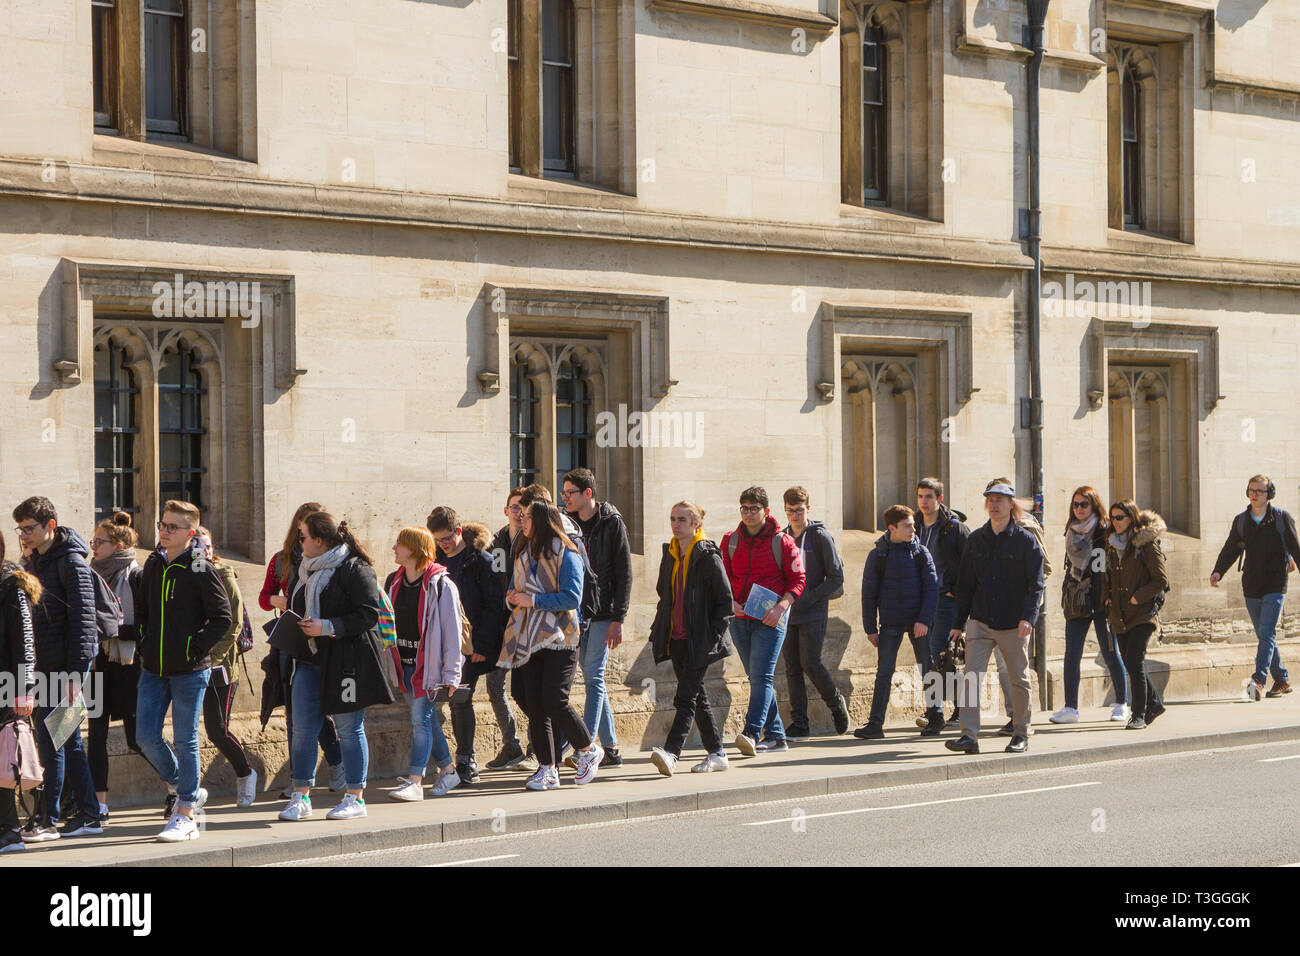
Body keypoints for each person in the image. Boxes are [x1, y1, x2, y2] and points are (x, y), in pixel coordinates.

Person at [278, 513, 393, 822]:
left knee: (348, 729)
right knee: (302, 730)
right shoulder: (302, 570)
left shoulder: (355, 569)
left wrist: (328, 625)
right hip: (307, 660)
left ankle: (355, 797)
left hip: (345, 662)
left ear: (320, 540)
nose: (298, 543)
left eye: (302, 537)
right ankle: (301, 795)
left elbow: (368, 615)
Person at [135, 500, 232, 842]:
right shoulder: (153, 563)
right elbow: (143, 611)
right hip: (154, 668)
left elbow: (223, 618)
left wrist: (194, 647)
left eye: (173, 527)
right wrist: (145, 643)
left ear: (190, 534)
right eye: (162, 524)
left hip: (190, 671)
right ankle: (181, 784)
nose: (164, 530)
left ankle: (186, 813)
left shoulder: (200, 567)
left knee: (186, 738)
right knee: (144, 736)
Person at [13, 497, 103, 842]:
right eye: (20, 528)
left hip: (67, 672)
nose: (24, 534)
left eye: (30, 528)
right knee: (67, 742)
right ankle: (90, 814)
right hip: (43, 668)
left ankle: (47, 819)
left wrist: (77, 675)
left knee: (53, 742)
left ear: (50, 525)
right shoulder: (35, 560)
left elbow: (84, 621)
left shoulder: (72, 563)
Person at [499, 501, 604, 791]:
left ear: (544, 520)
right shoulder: (523, 551)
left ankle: (587, 748)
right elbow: (517, 588)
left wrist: (533, 601)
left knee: (554, 699)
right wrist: (513, 597)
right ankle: (548, 768)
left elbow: (572, 597)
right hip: (529, 637)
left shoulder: (566, 552)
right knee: (535, 704)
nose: (522, 519)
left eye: (529, 515)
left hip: (560, 637)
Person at [945, 480, 1044, 755]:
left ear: (1011, 504)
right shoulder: (977, 539)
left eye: (1000, 499)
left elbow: (1035, 584)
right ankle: (969, 736)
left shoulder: (1025, 541)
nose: (994, 503)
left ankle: (1021, 733)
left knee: (1018, 678)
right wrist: (957, 624)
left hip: (1014, 622)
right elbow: (965, 585)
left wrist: (1029, 617)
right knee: (970, 677)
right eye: (990, 499)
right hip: (980, 620)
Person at [259, 502, 345, 796]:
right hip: (291, 640)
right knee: (295, 711)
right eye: (304, 529)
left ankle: (337, 763)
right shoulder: (282, 559)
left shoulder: (334, 561)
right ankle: (299, 777)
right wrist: (279, 602)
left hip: (324, 640)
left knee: (321, 709)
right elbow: (263, 597)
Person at [648, 502, 734, 775]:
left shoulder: (708, 556)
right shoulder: (670, 553)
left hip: (701, 641)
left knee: (684, 698)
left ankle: (672, 753)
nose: (676, 524)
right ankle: (717, 753)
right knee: (698, 698)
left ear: (696, 524)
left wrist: (712, 638)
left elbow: (725, 603)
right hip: (677, 638)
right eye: (673, 518)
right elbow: (665, 594)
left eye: (682, 519)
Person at [720, 486, 806, 756]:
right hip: (740, 617)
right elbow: (723, 580)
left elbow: (798, 581)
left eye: (754, 509)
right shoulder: (730, 541)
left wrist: (781, 608)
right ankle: (777, 735)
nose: (748, 513)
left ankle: (751, 732)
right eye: (744, 508)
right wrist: (730, 602)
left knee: (762, 676)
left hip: (771, 619)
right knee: (756, 677)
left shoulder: (782, 542)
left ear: (766, 511)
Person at [383, 526, 464, 801]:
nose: (394, 548)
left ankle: (415, 781)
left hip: (427, 668)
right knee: (426, 722)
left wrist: (452, 674)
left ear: (415, 549)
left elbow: (452, 632)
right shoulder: (394, 581)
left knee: (420, 721)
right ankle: (449, 770)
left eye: (399, 544)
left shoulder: (441, 585)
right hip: (403, 665)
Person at [427, 509, 507, 786]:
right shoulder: (434, 561)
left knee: (461, 700)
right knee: (440, 701)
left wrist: (482, 645)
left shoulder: (482, 561)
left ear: (459, 530)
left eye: (447, 538)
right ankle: (442, 761)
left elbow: (493, 605)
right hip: (440, 642)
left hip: (469, 643)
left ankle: (465, 759)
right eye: (438, 540)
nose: (443, 544)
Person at [561, 468, 630, 767]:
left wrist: (619, 618)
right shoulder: (568, 523)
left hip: (603, 613)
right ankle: (611, 747)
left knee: (593, 676)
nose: (565, 498)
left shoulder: (612, 523)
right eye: (563, 494)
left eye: (570, 493)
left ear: (587, 493)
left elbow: (624, 573)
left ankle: (584, 748)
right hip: (579, 612)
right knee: (593, 678)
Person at [1210, 474, 1300, 700]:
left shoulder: (1281, 517)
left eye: (1260, 491)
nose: (1254, 494)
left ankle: (1258, 681)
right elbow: (1231, 548)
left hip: (1276, 583)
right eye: (1251, 490)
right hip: (1251, 583)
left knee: (1267, 632)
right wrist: (1218, 570)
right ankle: (1281, 678)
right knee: (1263, 634)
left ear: (1269, 494)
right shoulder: (1241, 520)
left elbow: (1295, 548)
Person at [856, 505, 938, 739]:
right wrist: (870, 628)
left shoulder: (921, 553)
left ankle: (936, 717)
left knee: (928, 669)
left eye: (913, 524)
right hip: (890, 623)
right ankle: (875, 724)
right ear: (892, 528)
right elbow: (868, 593)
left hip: (918, 623)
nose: (913, 528)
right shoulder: (878, 554)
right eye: (907, 525)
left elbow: (932, 589)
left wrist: (924, 619)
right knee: (884, 672)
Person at [84, 512, 146, 820]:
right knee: (95, 737)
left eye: (100, 541)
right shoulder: (88, 574)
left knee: (138, 738)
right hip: (97, 665)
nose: (94, 546)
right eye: (93, 541)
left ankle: (177, 788)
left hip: (128, 665)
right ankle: (100, 804)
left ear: (119, 544)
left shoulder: (136, 576)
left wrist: (111, 629)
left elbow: (147, 627)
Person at [1052, 486, 1129, 724]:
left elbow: (1102, 569)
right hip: (1077, 599)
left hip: (1101, 601)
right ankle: (1070, 708)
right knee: (1071, 654)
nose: (1079, 509)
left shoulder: (1102, 531)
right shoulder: (1071, 530)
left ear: (1094, 505)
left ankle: (1122, 703)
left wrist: (1103, 600)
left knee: (1109, 652)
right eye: (1075, 505)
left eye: (1084, 504)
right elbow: (1069, 566)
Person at [194, 528, 257, 808]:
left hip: (220, 667)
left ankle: (245, 773)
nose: (203, 551)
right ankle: (187, 792)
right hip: (191, 666)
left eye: (207, 546)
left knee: (217, 730)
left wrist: (213, 656)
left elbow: (233, 624)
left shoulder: (224, 575)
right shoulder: (187, 574)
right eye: (198, 546)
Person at [779, 487, 849, 737]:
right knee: (791, 667)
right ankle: (800, 723)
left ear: (808, 509)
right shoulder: (782, 537)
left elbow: (836, 577)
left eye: (799, 510)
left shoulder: (819, 536)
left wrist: (809, 597)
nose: (795, 515)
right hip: (787, 612)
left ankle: (835, 704)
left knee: (811, 663)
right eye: (790, 511)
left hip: (813, 611)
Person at [1105, 501, 1170, 729]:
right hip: (1120, 615)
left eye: (1120, 517)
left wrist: (1137, 597)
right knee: (1132, 664)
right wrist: (1107, 598)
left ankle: (1139, 714)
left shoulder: (1146, 544)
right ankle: (1155, 703)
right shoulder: (1112, 545)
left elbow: (1161, 580)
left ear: (1131, 518)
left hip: (1142, 614)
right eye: (1112, 517)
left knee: (1134, 661)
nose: (1115, 522)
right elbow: (1108, 576)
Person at [913, 478, 969, 731]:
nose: (924, 502)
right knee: (932, 658)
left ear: (940, 499)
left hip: (946, 602)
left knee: (939, 655)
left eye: (929, 497)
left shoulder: (953, 528)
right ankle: (957, 706)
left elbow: (970, 565)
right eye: (920, 496)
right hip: (922, 601)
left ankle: (935, 713)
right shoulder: (912, 525)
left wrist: (954, 593)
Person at [484, 488, 531, 771]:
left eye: (523, 509)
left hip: (527, 625)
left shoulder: (533, 541)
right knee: (494, 685)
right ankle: (511, 746)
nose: (518, 513)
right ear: (505, 511)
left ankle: (542, 745)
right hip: (501, 624)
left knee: (528, 691)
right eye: (514, 508)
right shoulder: (497, 542)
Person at [0, 530, 39, 852]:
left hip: (4, 688)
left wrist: (24, 689)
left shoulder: (10, 585)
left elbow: (24, 641)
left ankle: (10, 832)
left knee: (3, 764)